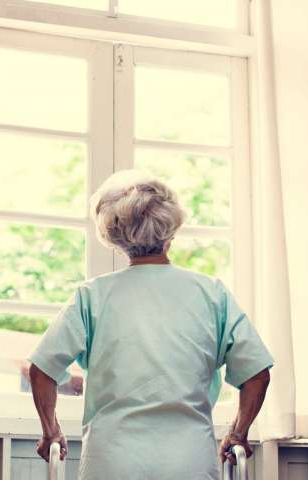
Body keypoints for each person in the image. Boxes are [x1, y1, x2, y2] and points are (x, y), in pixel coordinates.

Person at [28, 170, 273, 479]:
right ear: (171, 230)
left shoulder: (91, 296)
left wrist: (51, 431)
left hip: (112, 463)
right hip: (188, 462)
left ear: (115, 237)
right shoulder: (213, 295)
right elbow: (258, 375)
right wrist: (238, 433)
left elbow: (41, 371)